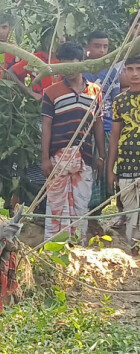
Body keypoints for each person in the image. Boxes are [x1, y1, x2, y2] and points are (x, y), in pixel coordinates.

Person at [41, 42, 105, 244]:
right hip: (58, 156)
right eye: (64, 65)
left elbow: (98, 125)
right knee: (56, 204)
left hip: (84, 157)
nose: (68, 70)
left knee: (81, 205)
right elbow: (47, 126)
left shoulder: (95, 91)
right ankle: (54, 248)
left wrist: (100, 155)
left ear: (81, 63)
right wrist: (44, 159)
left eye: (72, 64)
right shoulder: (51, 92)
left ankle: (78, 246)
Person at [83, 31, 121, 235]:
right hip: (84, 130)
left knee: (105, 171)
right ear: (87, 46)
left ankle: (96, 216)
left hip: (106, 127)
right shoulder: (80, 70)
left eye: (105, 47)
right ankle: (86, 218)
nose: (102, 50)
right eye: (97, 46)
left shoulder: (111, 71)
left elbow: (115, 100)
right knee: (89, 172)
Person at [108, 55, 140, 256]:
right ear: (124, 72)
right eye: (130, 69)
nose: (135, 74)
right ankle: (133, 252)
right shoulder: (120, 100)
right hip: (126, 165)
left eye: (139, 68)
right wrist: (111, 170)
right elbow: (114, 138)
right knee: (130, 211)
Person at [10, 26, 63, 100]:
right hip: (40, 105)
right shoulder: (36, 58)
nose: (62, 40)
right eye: (57, 37)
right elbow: (10, 72)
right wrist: (29, 92)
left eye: (63, 36)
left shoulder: (66, 60)